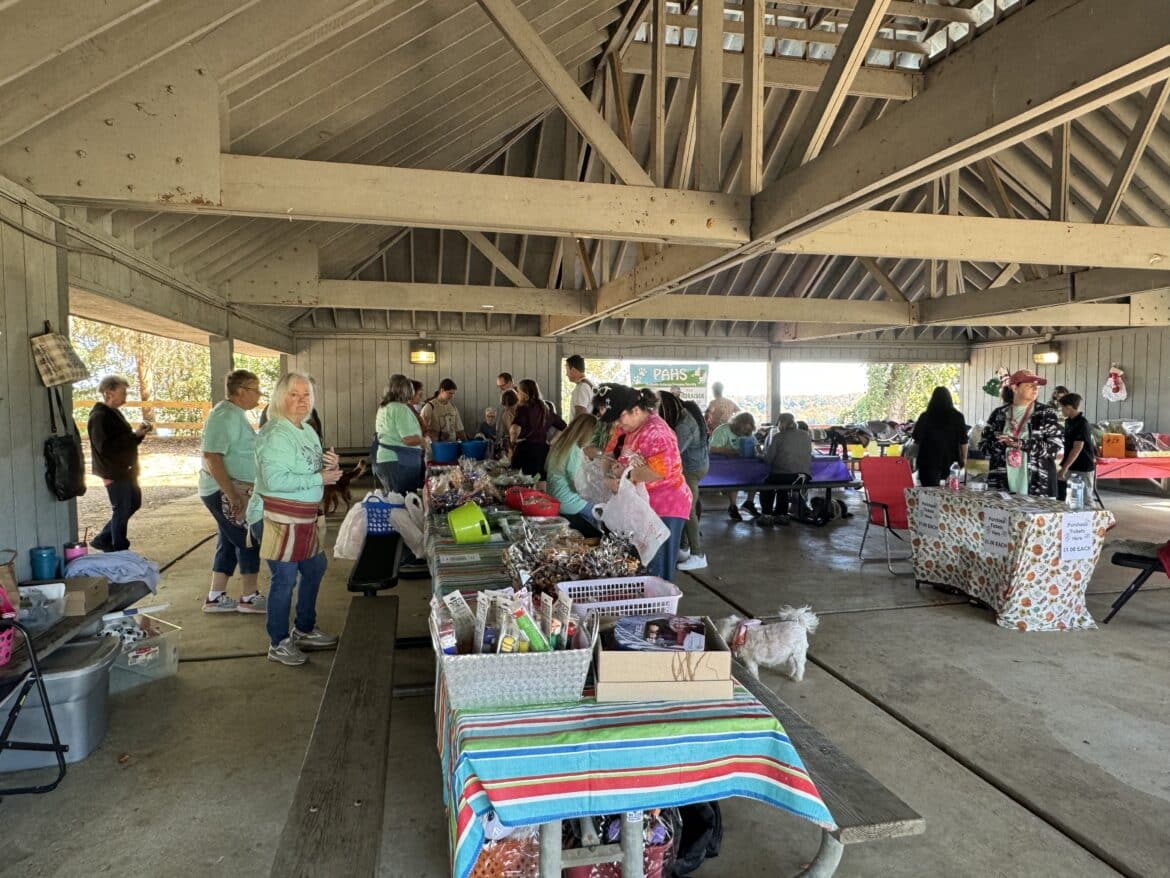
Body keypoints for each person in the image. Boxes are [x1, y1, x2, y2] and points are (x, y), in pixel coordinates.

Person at [247, 372, 342, 667]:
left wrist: (330, 464)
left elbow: (311, 465)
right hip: (275, 517)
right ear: (280, 397)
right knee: (285, 578)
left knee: (315, 567)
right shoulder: (275, 433)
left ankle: (304, 629)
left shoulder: (306, 429)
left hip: (302, 517)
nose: (302, 401)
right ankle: (278, 642)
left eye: (306, 395)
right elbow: (274, 480)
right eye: (294, 394)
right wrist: (318, 478)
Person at [594, 384, 692, 582]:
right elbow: (612, 454)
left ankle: (658, 601)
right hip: (642, 505)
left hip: (664, 507)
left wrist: (626, 476)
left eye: (619, 418)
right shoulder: (629, 427)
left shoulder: (656, 431)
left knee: (655, 572)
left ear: (636, 410)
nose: (617, 424)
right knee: (639, 567)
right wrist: (613, 473)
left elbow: (660, 471)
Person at [199, 369, 265, 614]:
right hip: (226, 489)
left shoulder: (234, 414)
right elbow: (212, 456)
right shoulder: (224, 415)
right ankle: (249, 596)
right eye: (255, 390)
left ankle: (215, 596)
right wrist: (231, 494)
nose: (259, 395)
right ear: (240, 391)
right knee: (248, 538)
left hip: (234, 487)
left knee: (228, 540)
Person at [87, 375, 151, 552]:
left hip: (126, 470)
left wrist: (138, 435)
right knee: (122, 509)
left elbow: (125, 441)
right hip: (113, 471)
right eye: (123, 393)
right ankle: (120, 548)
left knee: (133, 503)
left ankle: (102, 539)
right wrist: (133, 436)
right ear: (109, 393)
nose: (125, 398)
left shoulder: (114, 413)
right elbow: (104, 447)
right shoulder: (99, 416)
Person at [979, 370, 1063, 497]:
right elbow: (983, 447)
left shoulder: (1046, 413)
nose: (1035, 388)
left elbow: (1054, 447)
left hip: (1038, 487)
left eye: (1037, 386)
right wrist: (1002, 444)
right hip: (1001, 487)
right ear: (1014, 388)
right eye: (1030, 385)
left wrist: (1021, 444)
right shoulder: (999, 414)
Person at [660, 392, 709, 571]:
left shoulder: (685, 425)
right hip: (696, 466)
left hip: (691, 470)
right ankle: (684, 548)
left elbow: (673, 451)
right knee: (687, 507)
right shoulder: (687, 414)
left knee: (688, 510)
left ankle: (698, 555)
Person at [545, 413, 603, 538]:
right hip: (568, 503)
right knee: (602, 513)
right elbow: (578, 486)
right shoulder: (574, 450)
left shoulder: (561, 444)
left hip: (555, 497)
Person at [373, 374, 424, 494]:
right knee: (403, 499)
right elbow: (408, 439)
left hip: (385, 460)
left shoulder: (384, 407)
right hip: (399, 462)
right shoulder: (400, 409)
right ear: (406, 390)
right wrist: (423, 441)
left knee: (393, 498)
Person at [758, 413, 812, 527]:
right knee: (782, 488)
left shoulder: (778, 437)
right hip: (804, 477)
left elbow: (768, 459)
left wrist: (759, 454)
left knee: (766, 485)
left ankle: (766, 515)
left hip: (785, 476)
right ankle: (782, 515)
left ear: (781, 423)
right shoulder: (806, 435)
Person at [911, 387, 970, 488]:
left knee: (929, 491)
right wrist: (964, 459)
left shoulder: (925, 416)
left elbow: (916, 438)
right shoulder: (958, 416)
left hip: (927, 461)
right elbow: (964, 441)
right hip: (951, 462)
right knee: (950, 491)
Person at [509, 379, 565, 476]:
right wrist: (551, 442)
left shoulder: (523, 408)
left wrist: (512, 442)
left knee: (520, 481)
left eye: (518, 391)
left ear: (525, 393)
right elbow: (563, 426)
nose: (517, 394)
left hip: (525, 450)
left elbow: (514, 429)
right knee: (539, 480)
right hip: (542, 451)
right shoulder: (545, 408)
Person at [709, 412, 758, 520]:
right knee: (734, 474)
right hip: (724, 464)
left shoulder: (748, 432)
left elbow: (755, 445)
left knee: (757, 473)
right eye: (743, 429)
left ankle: (749, 502)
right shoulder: (723, 430)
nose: (745, 432)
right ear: (737, 424)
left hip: (743, 463)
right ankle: (733, 506)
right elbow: (713, 449)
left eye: (748, 430)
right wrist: (734, 451)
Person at [1058, 392, 1096, 501]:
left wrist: (1064, 468)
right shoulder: (1068, 422)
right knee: (1070, 498)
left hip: (1083, 467)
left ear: (1069, 407)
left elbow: (1077, 448)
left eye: (1062, 408)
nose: (1061, 411)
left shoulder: (1082, 423)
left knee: (1085, 498)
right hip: (1071, 465)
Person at [420, 378, 466, 442]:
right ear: (442, 390)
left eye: (453, 394)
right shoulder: (430, 407)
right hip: (434, 445)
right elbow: (421, 428)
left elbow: (459, 429)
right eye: (450, 393)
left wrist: (467, 443)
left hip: (452, 445)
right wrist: (439, 435)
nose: (452, 396)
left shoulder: (453, 407)